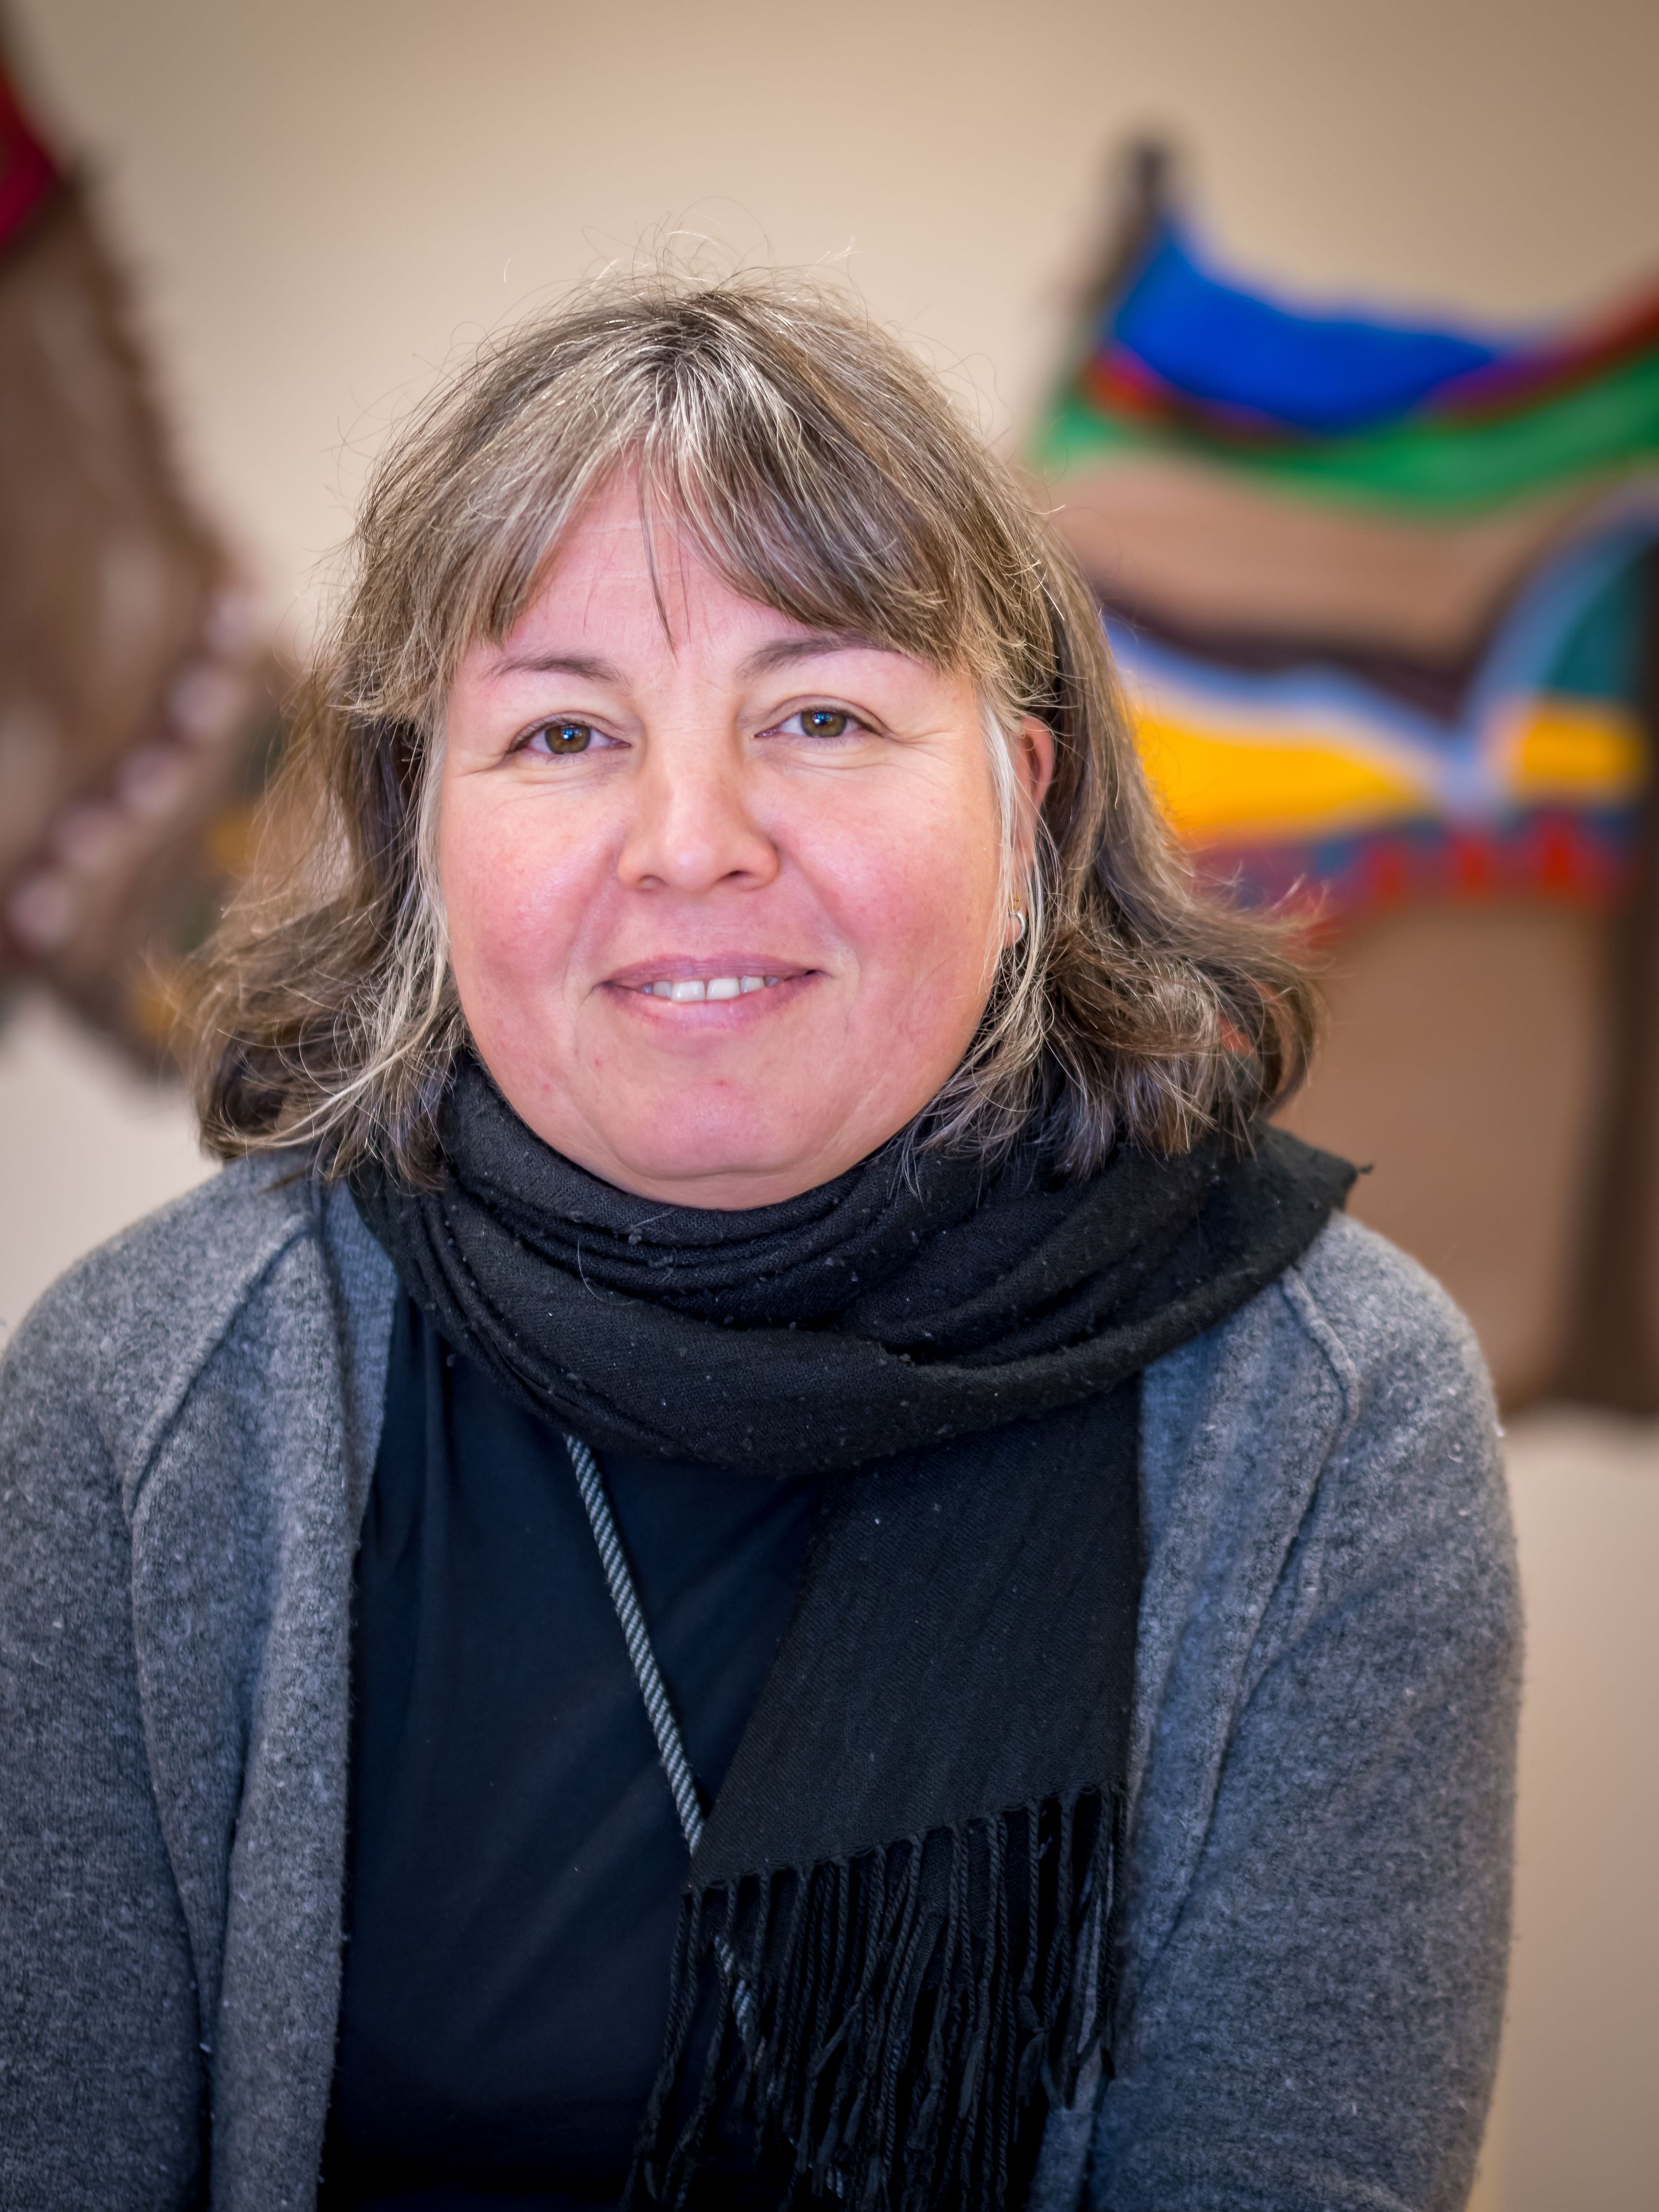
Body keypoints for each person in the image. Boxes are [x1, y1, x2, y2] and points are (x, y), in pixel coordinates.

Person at [0, 276, 1518, 2212]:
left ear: (1023, 795)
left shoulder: (1330, 1417)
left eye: (819, 715)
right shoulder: (146, 1404)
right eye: (565, 733)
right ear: (423, 830)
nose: (691, 838)